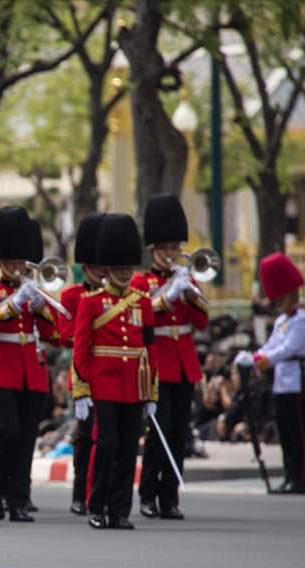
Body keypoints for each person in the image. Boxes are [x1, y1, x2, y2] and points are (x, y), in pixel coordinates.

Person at [71, 214, 157, 529]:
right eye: (119, 268)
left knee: (126, 448)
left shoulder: (142, 303)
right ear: (106, 269)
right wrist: (80, 390)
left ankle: (120, 509)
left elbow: (149, 349)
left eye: (127, 267)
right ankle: (96, 506)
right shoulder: (91, 303)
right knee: (105, 445)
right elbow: (81, 348)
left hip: (134, 386)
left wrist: (151, 391)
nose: (124, 272)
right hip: (102, 385)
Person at [0, 206, 60, 522]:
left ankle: (19, 499)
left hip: (33, 372)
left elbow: (53, 334)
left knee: (27, 439)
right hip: (3, 371)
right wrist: (15, 303)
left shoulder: (33, 290)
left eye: (20, 262)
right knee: (8, 433)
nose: (16, 267)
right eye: (11, 262)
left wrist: (40, 306)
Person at [132, 193, 208, 521]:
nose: (170, 254)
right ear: (152, 250)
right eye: (164, 249)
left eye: (174, 248)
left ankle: (170, 497)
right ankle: (148, 493)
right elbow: (142, 315)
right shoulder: (140, 281)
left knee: (179, 433)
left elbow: (202, 323)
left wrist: (192, 294)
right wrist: (166, 296)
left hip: (184, 363)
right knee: (159, 431)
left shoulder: (185, 278)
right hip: (158, 364)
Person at [235, 253, 305, 494]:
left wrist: (256, 360)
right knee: (286, 433)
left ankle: (299, 479)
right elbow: (271, 346)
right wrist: (252, 355)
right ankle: (289, 474)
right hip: (282, 382)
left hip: (296, 383)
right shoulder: (282, 321)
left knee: (298, 434)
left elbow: (285, 350)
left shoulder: (302, 320)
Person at [60, 212, 106, 515]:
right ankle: (80, 493)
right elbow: (65, 335)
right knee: (86, 436)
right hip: (85, 374)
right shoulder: (73, 296)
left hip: (113, 376)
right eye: (97, 267)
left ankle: (101, 493)